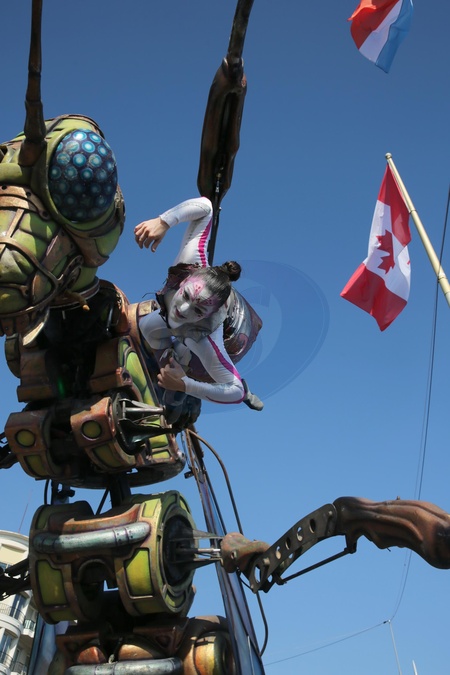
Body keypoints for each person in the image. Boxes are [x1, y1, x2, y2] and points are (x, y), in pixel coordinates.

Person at [134, 196, 263, 418]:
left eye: (198, 310)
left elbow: (236, 392)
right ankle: (169, 364)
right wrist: (163, 222)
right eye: (185, 295)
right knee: (147, 326)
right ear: (186, 279)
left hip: (228, 337)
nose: (183, 309)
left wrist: (184, 385)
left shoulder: (206, 339)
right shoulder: (190, 262)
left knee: (179, 373)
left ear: (207, 315)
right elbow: (206, 207)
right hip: (203, 320)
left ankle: (176, 393)